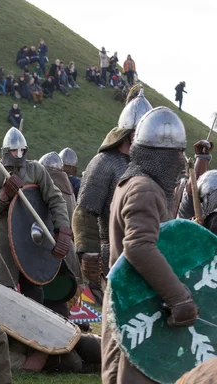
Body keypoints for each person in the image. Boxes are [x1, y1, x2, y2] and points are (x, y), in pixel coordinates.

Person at [102, 107, 193, 383]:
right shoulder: (143, 188)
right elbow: (139, 246)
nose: (181, 160)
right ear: (160, 156)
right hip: (136, 306)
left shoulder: (133, 183)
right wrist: (179, 297)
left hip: (135, 302)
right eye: (177, 152)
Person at [72, 90, 152, 301]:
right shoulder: (104, 163)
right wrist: (89, 253)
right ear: (130, 133)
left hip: (145, 251)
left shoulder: (146, 166)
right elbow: (84, 211)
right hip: (112, 252)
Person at [0, 128, 71, 303]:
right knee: (3, 289)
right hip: (4, 238)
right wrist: (4, 194)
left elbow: (55, 199)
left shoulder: (36, 170)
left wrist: (63, 229)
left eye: (22, 150)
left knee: (34, 291)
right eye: (14, 150)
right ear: (6, 151)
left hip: (32, 237)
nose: (19, 154)